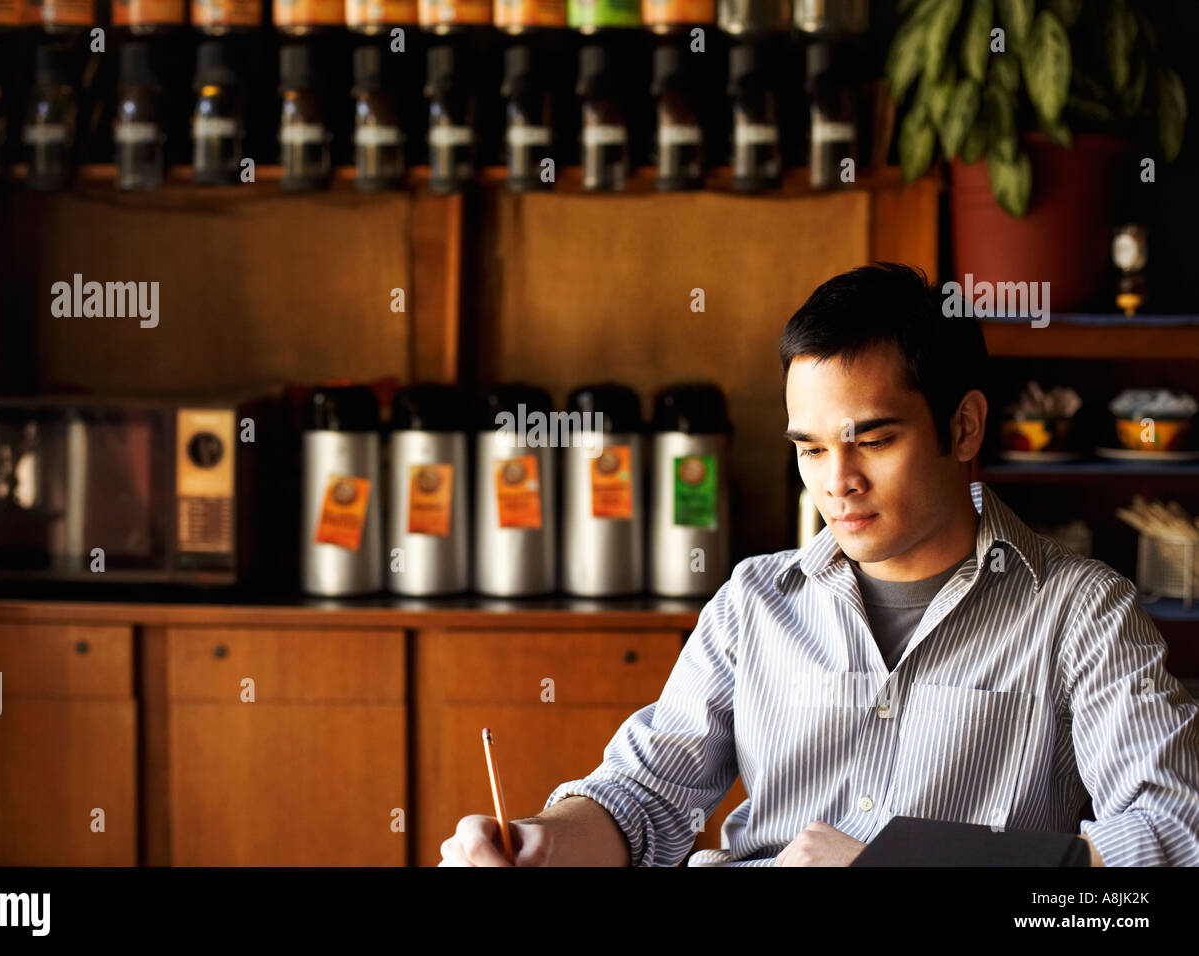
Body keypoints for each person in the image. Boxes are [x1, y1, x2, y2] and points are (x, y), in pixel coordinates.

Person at [438, 262, 1199, 867]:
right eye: (810, 449)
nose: (837, 482)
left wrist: (901, 865)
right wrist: (541, 842)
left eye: (873, 441)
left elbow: (1174, 833)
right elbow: (643, 798)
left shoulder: (1080, 613)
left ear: (964, 427)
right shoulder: (754, 601)